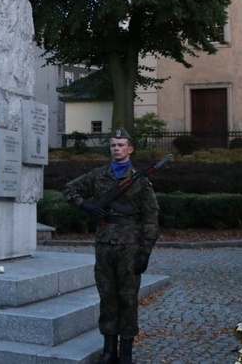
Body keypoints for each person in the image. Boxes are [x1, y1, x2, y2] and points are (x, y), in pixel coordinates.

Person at [63, 128, 159, 364]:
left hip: (130, 247)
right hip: (104, 246)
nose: (116, 148)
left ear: (130, 149)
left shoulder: (141, 180)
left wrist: (145, 251)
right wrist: (85, 206)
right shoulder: (98, 175)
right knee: (107, 298)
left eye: (121, 145)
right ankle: (108, 350)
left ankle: (125, 351)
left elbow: (151, 217)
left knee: (127, 299)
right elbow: (69, 190)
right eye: (113, 145)